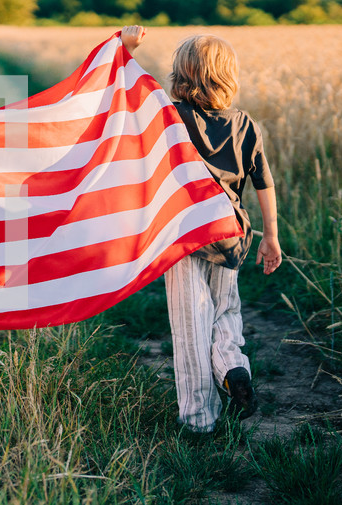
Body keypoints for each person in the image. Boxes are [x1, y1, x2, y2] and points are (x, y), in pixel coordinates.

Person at [120, 25, 282, 433]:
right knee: (226, 310)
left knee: (192, 322)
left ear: (181, 75)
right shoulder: (245, 123)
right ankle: (232, 369)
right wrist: (271, 237)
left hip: (186, 231)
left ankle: (198, 419)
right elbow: (264, 182)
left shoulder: (172, 117)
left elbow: (129, 96)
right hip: (232, 231)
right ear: (228, 76)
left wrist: (126, 49)